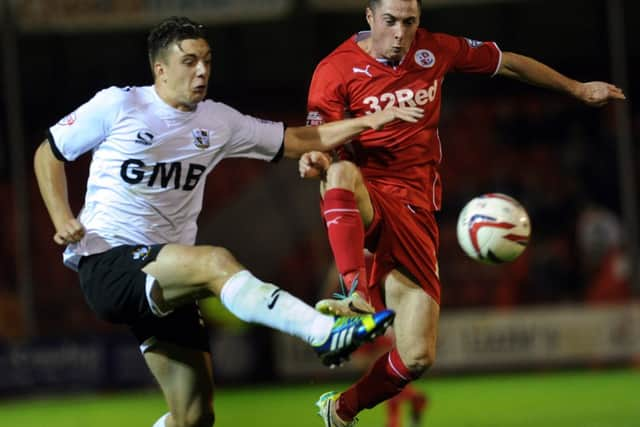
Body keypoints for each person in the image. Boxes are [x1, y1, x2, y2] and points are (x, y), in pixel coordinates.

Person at [33, 16, 425, 427]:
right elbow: (49, 152)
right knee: (215, 262)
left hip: (167, 277)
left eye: (206, 60)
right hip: (108, 260)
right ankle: (322, 332)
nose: (201, 71)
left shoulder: (218, 121)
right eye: (189, 61)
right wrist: (61, 217)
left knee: (194, 416)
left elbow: (298, 141)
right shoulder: (120, 104)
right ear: (160, 69)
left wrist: (368, 121)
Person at [299, 1, 626, 426]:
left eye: (410, 22)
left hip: (417, 211)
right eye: (391, 21)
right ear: (369, 17)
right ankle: (351, 291)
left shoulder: (435, 50)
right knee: (342, 171)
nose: (401, 33)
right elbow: (316, 136)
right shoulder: (335, 69)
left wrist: (577, 89)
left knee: (417, 356)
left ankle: (340, 410)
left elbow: (507, 63)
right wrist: (318, 160)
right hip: (369, 194)